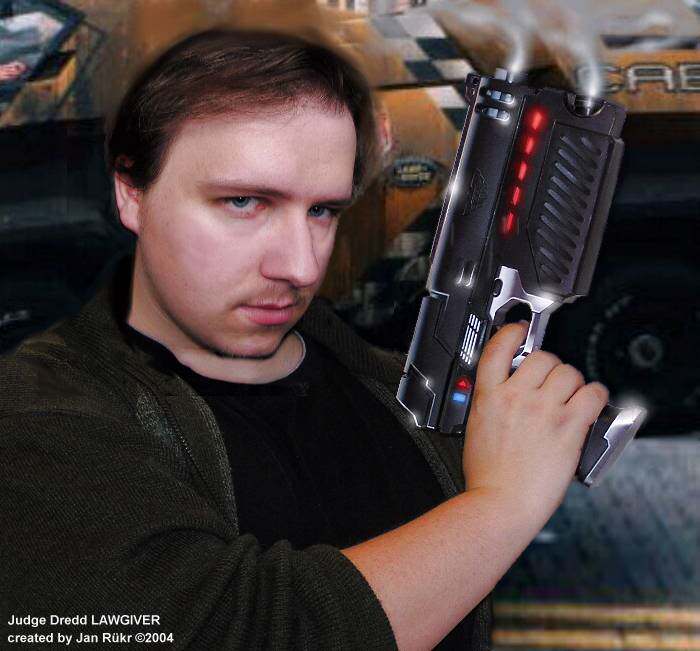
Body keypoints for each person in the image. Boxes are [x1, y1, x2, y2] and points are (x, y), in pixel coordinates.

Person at [0, 28, 608, 650]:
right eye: (244, 202)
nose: (299, 265)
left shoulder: (394, 394)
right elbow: (230, 634)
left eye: (322, 211)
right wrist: (498, 507)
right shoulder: (37, 420)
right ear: (131, 194)